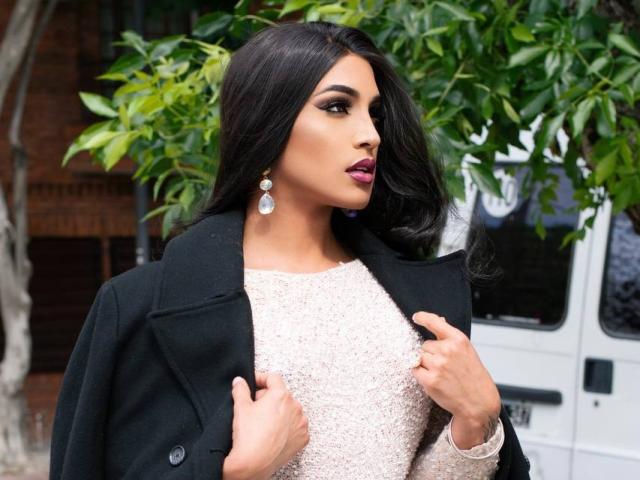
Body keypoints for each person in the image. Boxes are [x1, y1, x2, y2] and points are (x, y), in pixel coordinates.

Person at [49, 20, 530, 480]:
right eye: (337, 107)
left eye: (375, 113)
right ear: (267, 123)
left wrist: (476, 422)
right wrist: (237, 473)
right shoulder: (138, 306)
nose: (371, 134)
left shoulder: (413, 301)